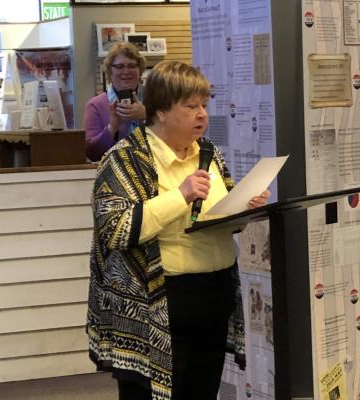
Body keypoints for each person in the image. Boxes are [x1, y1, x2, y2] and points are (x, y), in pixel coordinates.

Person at [86, 60, 270, 400]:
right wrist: (180, 196)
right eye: (190, 106)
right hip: (157, 304)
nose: (202, 114)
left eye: (204, 105)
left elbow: (221, 219)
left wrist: (245, 210)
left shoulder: (209, 154)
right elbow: (115, 229)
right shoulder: (124, 160)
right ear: (160, 111)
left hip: (213, 297)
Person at [84, 42, 147, 161]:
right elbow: (92, 154)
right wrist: (112, 127)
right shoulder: (96, 105)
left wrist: (146, 116)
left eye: (132, 66)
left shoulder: (154, 98)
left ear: (140, 69)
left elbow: (173, 139)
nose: (126, 71)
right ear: (109, 71)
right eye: (119, 66)